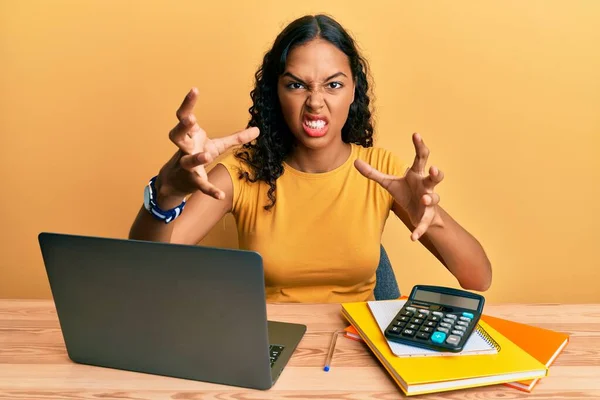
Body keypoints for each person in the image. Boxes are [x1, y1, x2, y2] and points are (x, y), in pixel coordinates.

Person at [129, 14, 492, 303]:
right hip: (271, 351)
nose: (315, 102)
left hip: (360, 352)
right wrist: (167, 191)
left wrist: (429, 215)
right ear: (276, 94)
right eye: (296, 84)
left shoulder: (380, 171)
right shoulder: (242, 173)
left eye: (333, 85)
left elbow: (478, 278)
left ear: (354, 92)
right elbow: (144, 273)